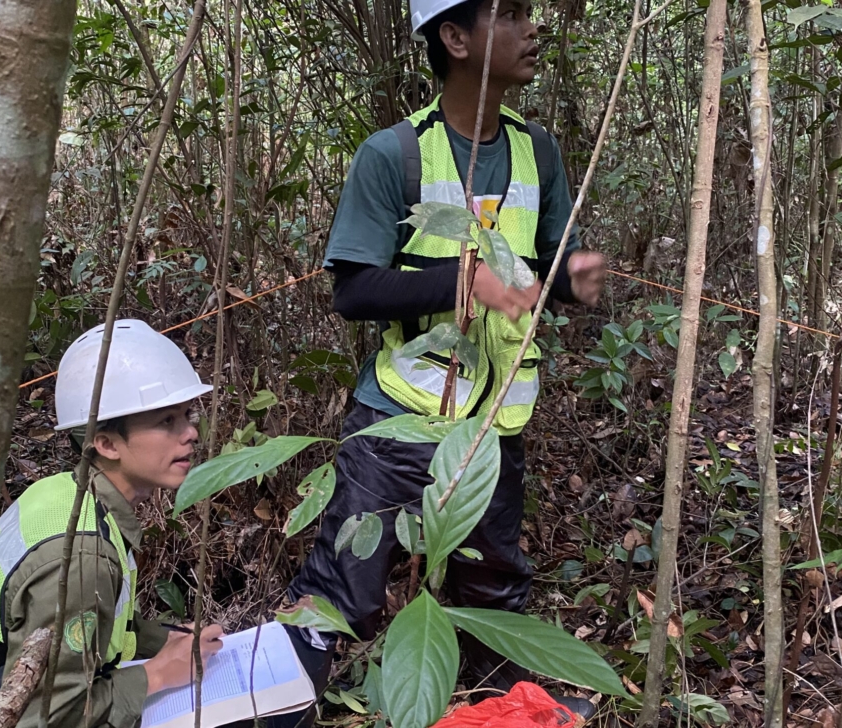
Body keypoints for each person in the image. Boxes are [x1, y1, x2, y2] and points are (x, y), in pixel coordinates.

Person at [280, 0, 609, 723]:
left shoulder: (538, 151)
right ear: (456, 38)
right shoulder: (393, 154)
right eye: (512, 14)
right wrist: (465, 282)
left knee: (492, 585)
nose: (533, 29)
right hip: (399, 418)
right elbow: (354, 289)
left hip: (491, 424)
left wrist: (575, 278)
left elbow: (549, 268)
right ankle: (280, 704)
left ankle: (503, 710)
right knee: (345, 590)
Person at [0, 320, 225, 728]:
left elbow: (97, 632)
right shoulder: (84, 557)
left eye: (187, 415)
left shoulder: (60, 492)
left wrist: (165, 639)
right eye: (166, 421)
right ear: (106, 443)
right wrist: (157, 674)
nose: (190, 433)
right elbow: (43, 717)